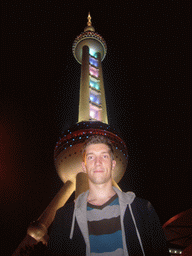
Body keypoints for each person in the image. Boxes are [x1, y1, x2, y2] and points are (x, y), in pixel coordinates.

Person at [47, 135, 169, 256]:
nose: (98, 162)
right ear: (84, 166)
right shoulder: (63, 218)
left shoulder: (143, 211)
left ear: (113, 164)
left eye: (104, 156)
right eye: (91, 157)